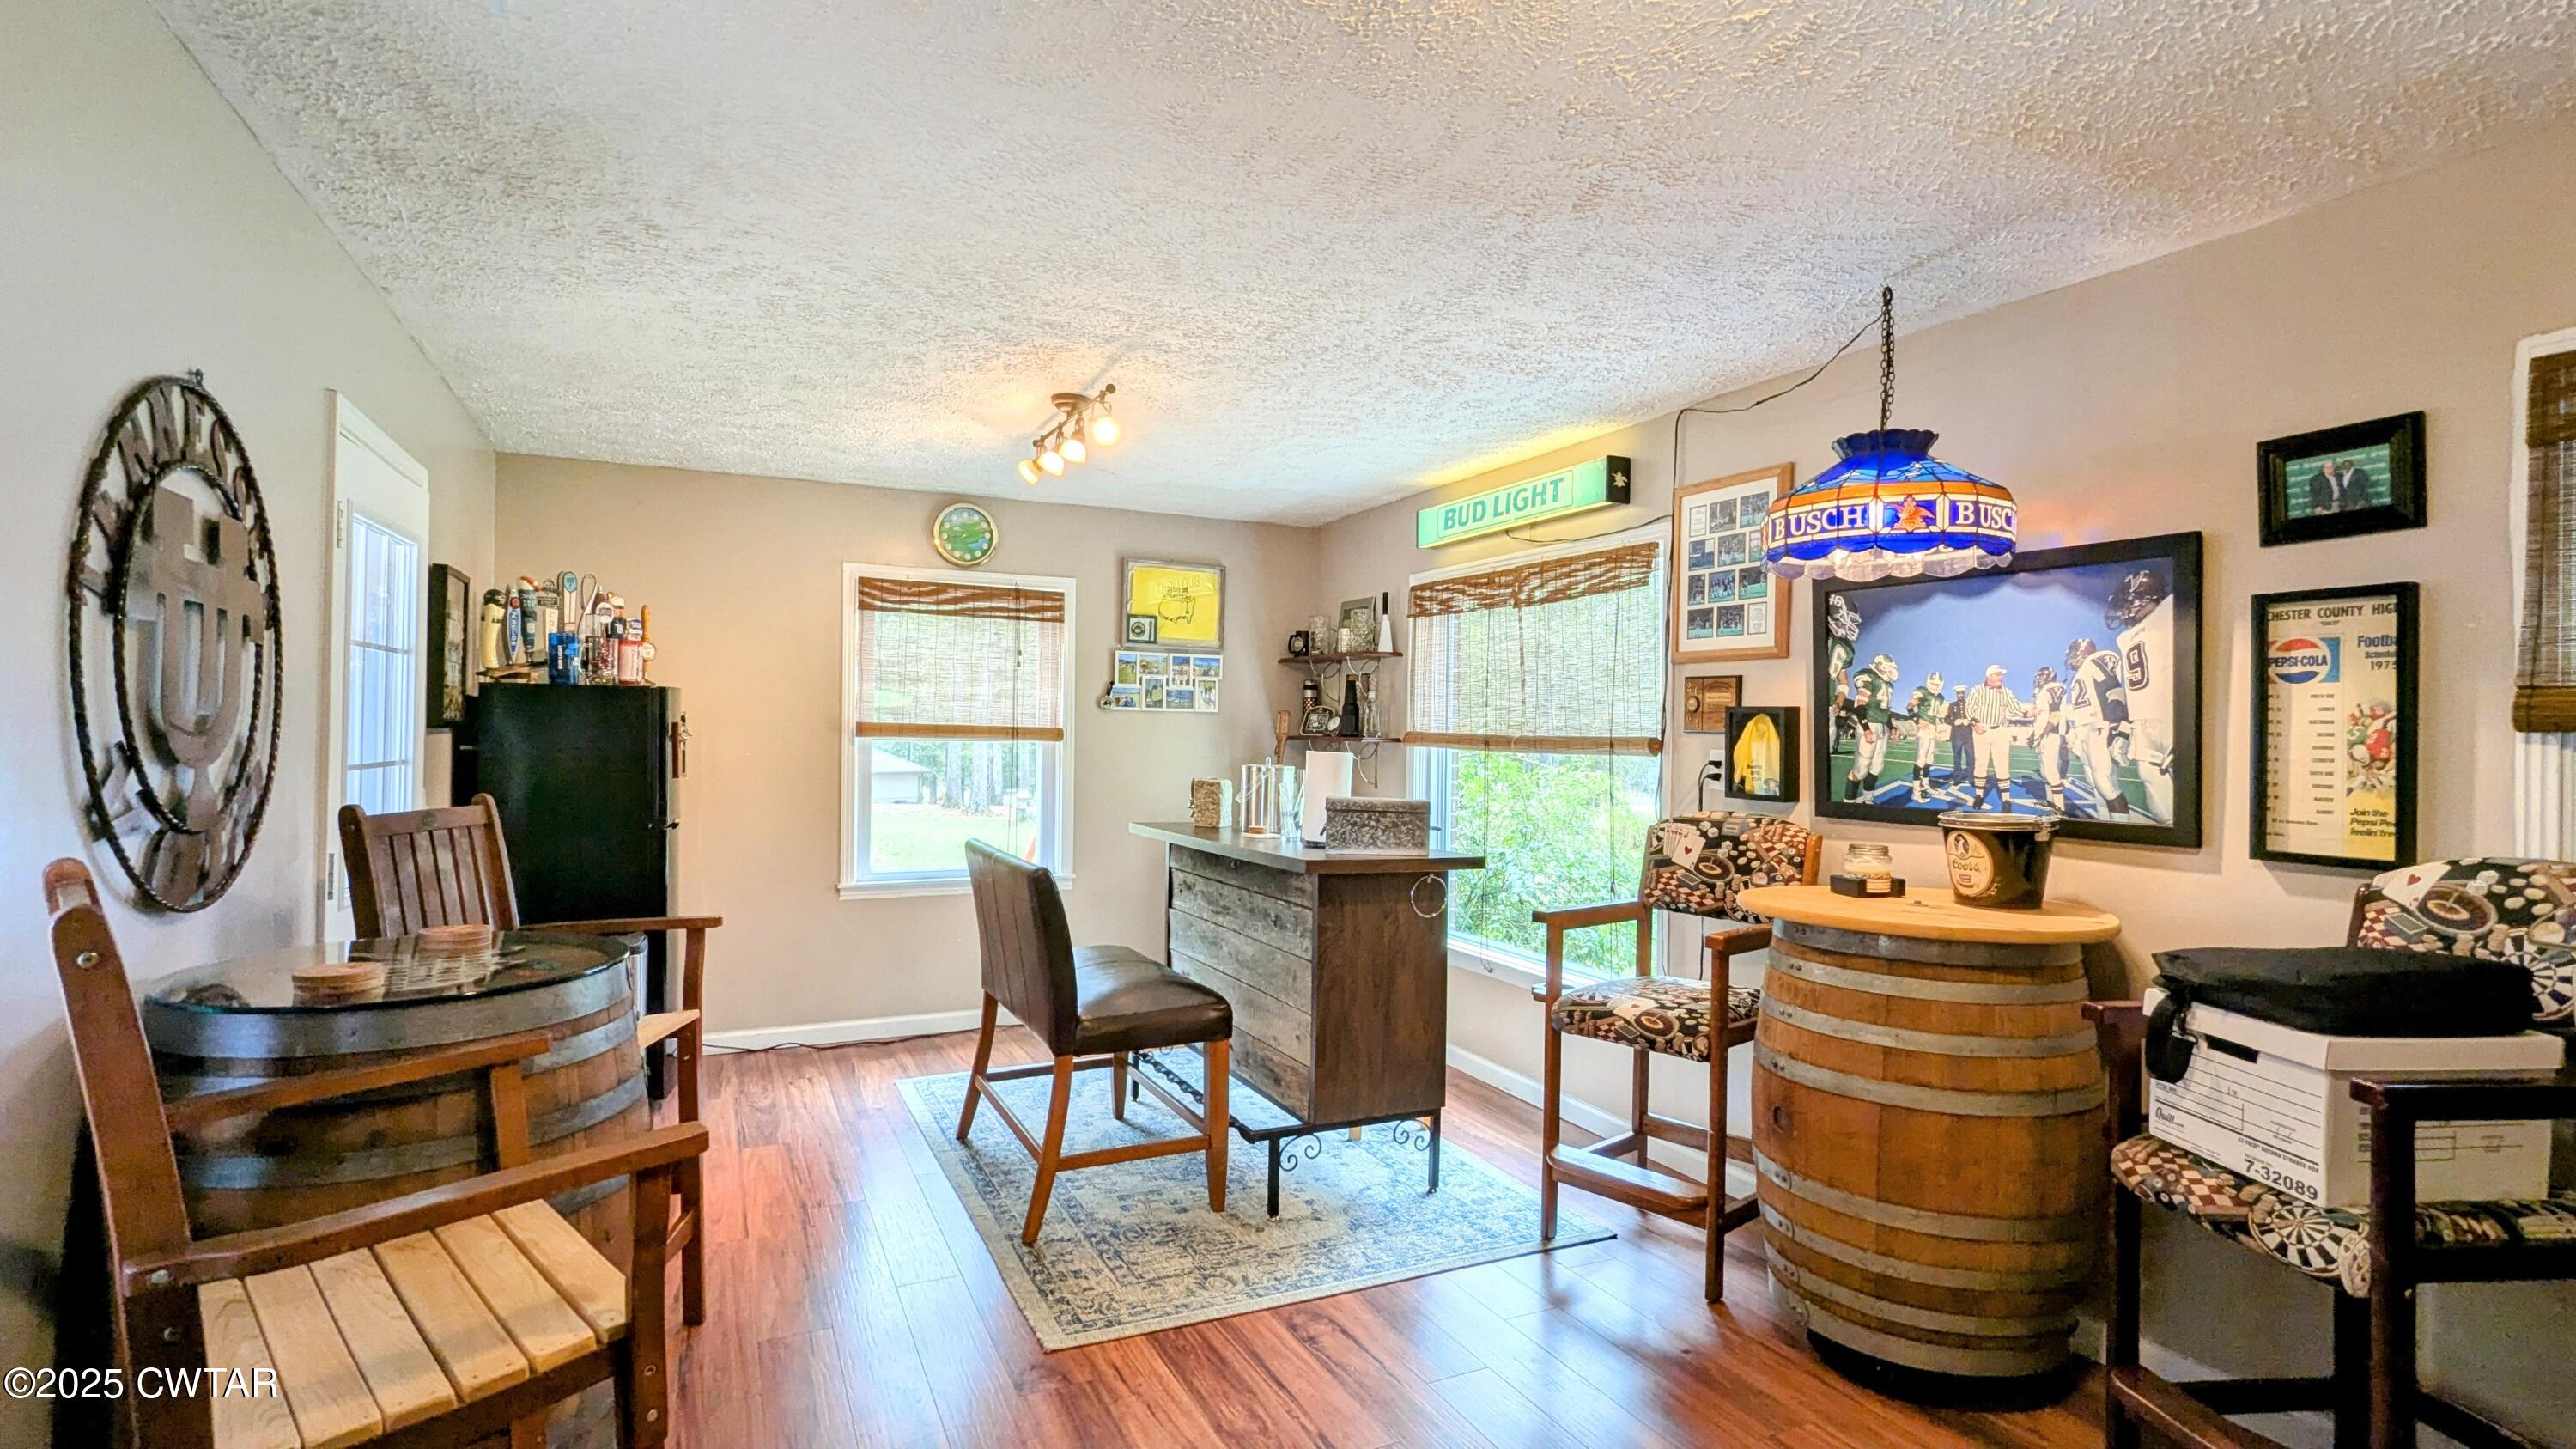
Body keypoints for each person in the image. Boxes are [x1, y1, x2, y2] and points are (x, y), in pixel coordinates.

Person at [2066, 634, 2134, 817]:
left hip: (2100, 727)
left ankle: (2122, 835)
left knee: (2107, 785)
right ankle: (2106, 823)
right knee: (2094, 783)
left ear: (2082, 652)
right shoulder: (2080, 674)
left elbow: (2115, 691)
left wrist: (2120, 728)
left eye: (2073, 653)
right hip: (2085, 730)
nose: (2070, 658)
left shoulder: (2094, 662)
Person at [1963, 664, 2022, 810]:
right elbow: (1969, 708)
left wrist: (2029, 714)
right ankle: (1979, 795)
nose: (2001, 677)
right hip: (1982, 730)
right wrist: (1975, 724)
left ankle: (2006, 800)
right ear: (1989, 676)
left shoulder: (2006, 692)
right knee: (1981, 765)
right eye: (1998, 674)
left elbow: (2016, 708)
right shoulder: (1977, 689)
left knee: (2002, 766)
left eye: (2001, 674)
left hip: (2000, 731)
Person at [1844, 654, 1899, 801]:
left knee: (1876, 768)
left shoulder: (1889, 685)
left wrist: (1892, 727)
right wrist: (1866, 729)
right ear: (1880, 666)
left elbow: (1885, 710)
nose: (1891, 671)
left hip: (1882, 727)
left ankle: (1868, 798)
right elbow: (1860, 705)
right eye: (1889, 668)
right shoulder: (1868, 676)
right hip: (1869, 725)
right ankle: (1848, 803)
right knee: (1861, 769)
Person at [2028, 665, 2070, 812]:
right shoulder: (2043, 691)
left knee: (2051, 771)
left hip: (2051, 733)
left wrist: (2044, 732)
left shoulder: (2054, 687)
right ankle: (2050, 801)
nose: (2039, 679)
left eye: (2041, 676)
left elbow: (2056, 714)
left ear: (2049, 676)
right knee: (2045, 771)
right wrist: (2034, 734)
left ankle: (2059, 807)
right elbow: (2042, 716)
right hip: (2044, 733)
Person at [1905, 671, 1947, 802]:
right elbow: (1909, 707)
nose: (1935, 686)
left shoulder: (1941, 697)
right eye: (1933, 683)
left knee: (1929, 760)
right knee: (1921, 760)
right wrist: (1917, 721)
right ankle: (1916, 792)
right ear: (1928, 682)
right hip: (1924, 729)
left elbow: (1938, 714)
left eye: (1938, 684)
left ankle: (1926, 785)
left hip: (1933, 728)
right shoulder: (1922, 692)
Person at [1946, 685, 1974, 789]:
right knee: (1957, 757)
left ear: (1965, 694)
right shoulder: (1952, 705)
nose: (1960, 695)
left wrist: (1970, 721)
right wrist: (1954, 722)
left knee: (1971, 758)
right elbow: (1946, 719)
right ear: (1956, 694)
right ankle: (1957, 778)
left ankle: (1972, 779)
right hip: (1956, 735)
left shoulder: (1970, 705)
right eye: (1958, 693)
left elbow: (1976, 718)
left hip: (1969, 735)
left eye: (1962, 693)